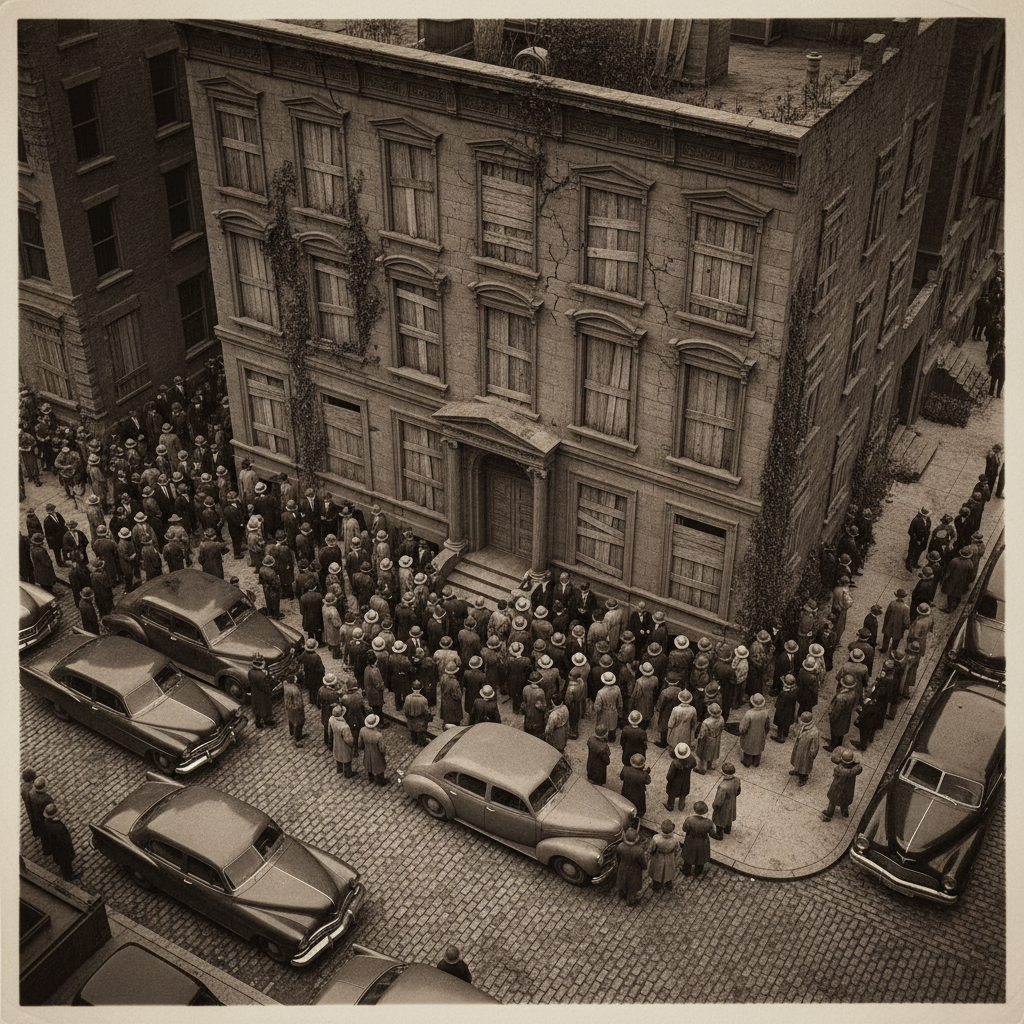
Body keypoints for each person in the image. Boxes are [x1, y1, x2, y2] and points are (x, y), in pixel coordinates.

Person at [821, 748, 863, 821]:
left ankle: (829, 813)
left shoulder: (838, 768)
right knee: (845, 801)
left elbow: (834, 762)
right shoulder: (853, 770)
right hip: (848, 789)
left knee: (832, 802)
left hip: (836, 788)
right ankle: (844, 812)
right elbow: (859, 768)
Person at [42, 804, 77, 880]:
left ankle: (65, 872)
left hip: (55, 848)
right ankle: (68, 875)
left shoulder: (47, 822)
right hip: (63, 849)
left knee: (62, 862)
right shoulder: (58, 827)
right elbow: (64, 841)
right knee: (66, 862)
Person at [647, 819, 682, 892]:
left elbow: (651, 849)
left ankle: (656, 887)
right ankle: (668, 885)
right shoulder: (675, 838)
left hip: (658, 857)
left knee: (656, 872)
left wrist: (650, 854)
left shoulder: (656, 838)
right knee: (669, 872)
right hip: (670, 857)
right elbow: (677, 849)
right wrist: (674, 856)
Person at [681, 802, 714, 878]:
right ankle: (698, 872)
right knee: (701, 857)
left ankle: (686, 871)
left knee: (688, 856)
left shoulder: (689, 820)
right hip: (703, 842)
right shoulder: (709, 822)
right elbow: (712, 834)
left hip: (690, 841)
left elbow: (684, 829)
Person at [738, 693, 771, 767]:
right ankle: (756, 762)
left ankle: (747, 762)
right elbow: (767, 726)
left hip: (749, 735)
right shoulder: (766, 713)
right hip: (760, 735)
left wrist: (741, 731)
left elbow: (743, 727)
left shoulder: (749, 714)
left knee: (748, 749)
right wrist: (765, 733)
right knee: (758, 749)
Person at [615, 829, 647, 906]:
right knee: (632, 887)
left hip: (623, 868)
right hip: (634, 872)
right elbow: (642, 862)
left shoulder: (620, 846)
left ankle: (621, 894)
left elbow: (618, 857)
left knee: (622, 882)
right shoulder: (639, 850)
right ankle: (630, 901)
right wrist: (644, 867)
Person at [789, 711, 820, 786]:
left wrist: (812, 755)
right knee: (797, 760)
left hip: (806, 752)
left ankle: (803, 778)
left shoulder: (815, 732)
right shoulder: (802, 726)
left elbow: (815, 746)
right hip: (799, 748)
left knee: (804, 765)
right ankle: (797, 770)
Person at [665, 742, 697, 812]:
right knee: (683, 793)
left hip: (675, 782)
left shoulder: (675, 763)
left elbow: (670, 775)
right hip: (686, 779)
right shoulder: (691, 758)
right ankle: (681, 806)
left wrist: (668, 780)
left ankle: (670, 806)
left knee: (672, 794)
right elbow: (694, 764)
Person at [711, 763, 740, 840]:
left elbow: (718, 801)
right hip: (732, 803)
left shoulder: (723, 786)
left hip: (723, 807)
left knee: (719, 820)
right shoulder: (737, 780)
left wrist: (715, 806)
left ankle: (719, 835)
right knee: (729, 817)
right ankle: (727, 830)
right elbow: (738, 791)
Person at [693, 702, 724, 774]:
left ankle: (702, 769)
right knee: (712, 753)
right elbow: (722, 728)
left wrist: (698, 740)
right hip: (716, 738)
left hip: (707, 740)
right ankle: (710, 765)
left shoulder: (706, 722)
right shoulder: (721, 719)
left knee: (703, 755)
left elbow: (702, 734)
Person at [248, 652, 275, 729]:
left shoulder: (250, 672)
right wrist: (270, 691)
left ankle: (258, 723)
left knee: (257, 710)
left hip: (255, 694)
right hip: (263, 696)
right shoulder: (261, 676)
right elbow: (265, 687)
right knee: (265, 709)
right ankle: (267, 722)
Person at [359, 715, 387, 785]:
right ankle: (380, 781)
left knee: (369, 763)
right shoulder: (378, 735)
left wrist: (362, 747)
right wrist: (383, 753)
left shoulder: (362, 730)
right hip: (376, 753)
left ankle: (371, 778)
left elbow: (360, 743)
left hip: (367, 751)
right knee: (379, 766)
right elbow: (382, 748)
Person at [881, 589, 910, 654]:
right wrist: (906, 627)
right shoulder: (906, 607)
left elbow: (887, 614)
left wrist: (885, 623)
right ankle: (893, 651)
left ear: (897, 596)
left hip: (889, 624)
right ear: (904, 597)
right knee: (896, 639)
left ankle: (884, 649)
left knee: (886, 637)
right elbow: (906, 620)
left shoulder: (892, 603)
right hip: (898, 627)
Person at [328, 707, 355, 776]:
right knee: (346, 758)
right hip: (344, 744)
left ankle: (339, 769)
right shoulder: (345, 726)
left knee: (338, 754)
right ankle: (347, 773)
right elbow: (348, 739)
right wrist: (352, 745)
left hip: (336, 740)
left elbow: (329, 731)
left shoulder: (331, 719)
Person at [403, 681, 431, 746]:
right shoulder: (424, 700)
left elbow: (405, 710)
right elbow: (426, 712)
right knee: (421, 732)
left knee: (413, 732)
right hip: (421, 721)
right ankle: (421, 742)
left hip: (411, 721)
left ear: (412, 688)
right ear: (421, 689)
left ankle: (414, 740)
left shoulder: (407, 698)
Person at [283, 675, 306, 747]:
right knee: (299, 723)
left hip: (288, 706)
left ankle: (292, 732)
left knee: (291, 720)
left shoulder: (285, 685)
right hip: (296, 709)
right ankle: (298, 740)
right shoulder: (295, 690)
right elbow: (298, 703)